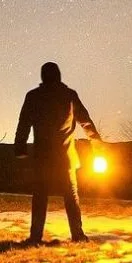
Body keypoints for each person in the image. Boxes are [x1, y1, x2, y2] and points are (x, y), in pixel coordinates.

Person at [14, 61, 102, 245]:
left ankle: (36, 237)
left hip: (43, 157)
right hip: (65, 157)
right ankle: (77, 235)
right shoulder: (69, 96)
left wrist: (20, 147)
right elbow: (85, 121)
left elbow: (24, 123)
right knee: (71, 196)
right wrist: (96, 141)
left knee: (40, 197)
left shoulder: (34, 96)